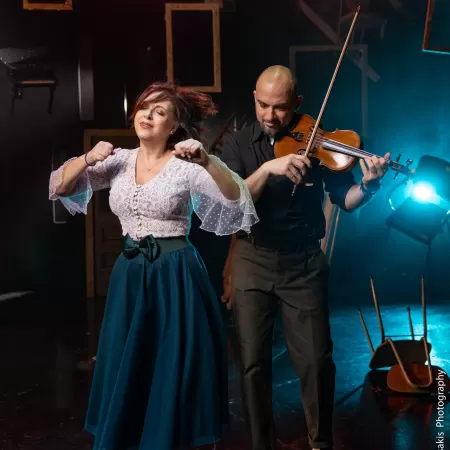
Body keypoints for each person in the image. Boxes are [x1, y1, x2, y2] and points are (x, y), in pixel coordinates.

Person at [48, 81, 259, 450]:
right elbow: (60, 188)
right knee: (128, 357)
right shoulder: (118, 161)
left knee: (170, 359)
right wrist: (87, 158)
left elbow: (236, 200)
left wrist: (207, 161)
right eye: (144, 108)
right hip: (130, 272)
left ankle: (166, 437)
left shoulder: (186, 166)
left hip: (174, 272)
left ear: (173, 125)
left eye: (160, 112)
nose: (147, 115)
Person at [220, 65, 389, 450]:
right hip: (252, 256)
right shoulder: (238, 143)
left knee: (316, 360)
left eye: (280, 107)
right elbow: (233, 203)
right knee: (252, 362)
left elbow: (346, 200)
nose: (270, 115)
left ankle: (320, 443)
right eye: (263, 105)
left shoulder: (319, 139)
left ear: (296, 103)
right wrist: (269, 168)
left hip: (303, 262)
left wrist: (369, 186)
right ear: (254, 98)